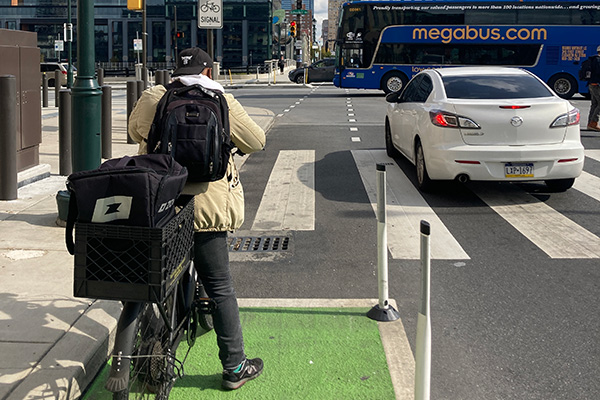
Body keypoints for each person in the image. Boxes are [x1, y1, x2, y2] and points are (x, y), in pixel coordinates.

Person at [128, 47, 266, 390]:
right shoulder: (223, 100)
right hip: (208, 208)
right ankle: (234, 367)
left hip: (161, 203)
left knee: (155, 275)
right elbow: (257, 142)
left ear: (176, 72)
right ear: (207, 72)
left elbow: (135, 133)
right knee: (219, 285)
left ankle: (147, 342)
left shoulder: (155, 96)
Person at [587, 45, 600, 132]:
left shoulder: (593, 59)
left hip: (591, 84)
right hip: (597, 85)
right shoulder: (599, 61)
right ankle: (593, 122)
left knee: (595, 104)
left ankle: (590, 123)